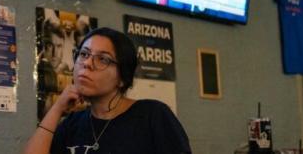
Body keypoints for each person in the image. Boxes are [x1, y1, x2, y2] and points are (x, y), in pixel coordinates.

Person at [23, 27, 191, 154]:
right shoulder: (72, 125)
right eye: (84, 54)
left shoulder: (152, 115)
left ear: (122, 78)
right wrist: (57, 108)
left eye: (102, 59)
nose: (87, 63)